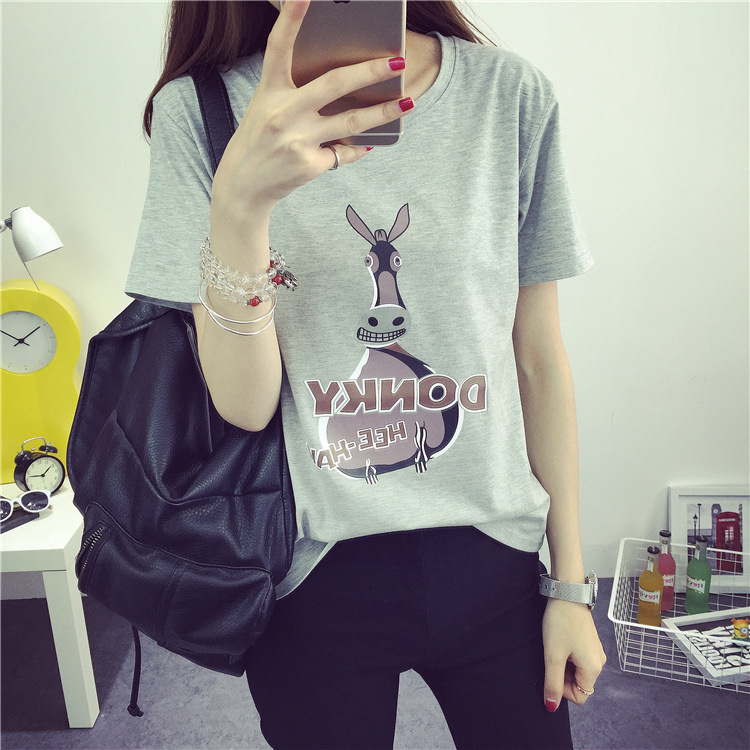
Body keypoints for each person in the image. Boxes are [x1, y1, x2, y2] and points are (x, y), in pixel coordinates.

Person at [125, 1, 606, 747]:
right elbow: (246, 406)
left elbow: (538, 355)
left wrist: (569, 584)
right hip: (311, 571)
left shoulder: (508, 95)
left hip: (496, 557)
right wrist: (240, 207)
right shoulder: (203, 112)